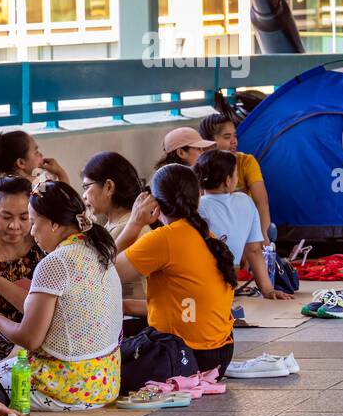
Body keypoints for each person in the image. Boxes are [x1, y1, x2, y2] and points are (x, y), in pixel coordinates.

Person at [0, 181, 121, 409]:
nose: (29, 231)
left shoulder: (55, 262)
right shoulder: (98, 250)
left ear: (52, 223)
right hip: (105, 384)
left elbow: (29, 338)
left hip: (63, 388)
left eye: (31, 222)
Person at [116, 164, 238, 374]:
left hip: (183, 355)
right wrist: (126, 306)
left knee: (105, 349)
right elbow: (184, 305)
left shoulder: (165, 239)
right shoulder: (206, 235)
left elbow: (103, 277)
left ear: (154, 202)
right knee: (129, 328)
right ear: (198, 197)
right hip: (220, 354)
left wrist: (134, 224)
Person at [195, 149, 293, 301]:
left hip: (197, 284)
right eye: (235, 175)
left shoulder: (195, 205)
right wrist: (267, 289)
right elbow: (254, 250)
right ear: (228, 181)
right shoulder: (245, 201)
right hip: (228, 284)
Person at [81, 151, 149, 325]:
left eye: (87, 187)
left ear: (109, 187)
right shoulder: (114, 224)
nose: (84, 195)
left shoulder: (132, 229)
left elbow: (96, 281)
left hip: (134, 322)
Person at [0, 177, 42, 361]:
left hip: (35, 335)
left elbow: (46, 311)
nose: (15, 226)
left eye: (24, 217)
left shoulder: (43, 247)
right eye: (6, 217)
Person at [198, 112, 272, 237]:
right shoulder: (200, 167)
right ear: (209, 142)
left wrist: (263, 236)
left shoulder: (246, 162)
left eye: (235, 136)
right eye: (227, 137)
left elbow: (261, 202)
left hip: (247, 228)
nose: (234, 142)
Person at [0, 131, 68, 184]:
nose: (41, 155)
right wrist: (60, 173)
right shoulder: (35, 188)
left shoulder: (2, 186)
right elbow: (66, 201)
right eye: (36, 152)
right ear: (21, 163)